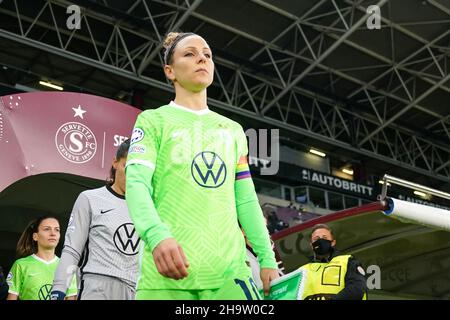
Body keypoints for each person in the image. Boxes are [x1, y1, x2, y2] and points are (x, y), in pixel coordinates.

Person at [125, 31, 279, 300]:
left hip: (230, 279)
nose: (202, 59)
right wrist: (156, 235)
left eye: (207, 54)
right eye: (190, 54)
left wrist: (267, 258)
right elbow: (137, 184)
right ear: (170, 71)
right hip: (166, 280)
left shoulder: (233, 131)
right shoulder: (153, 121)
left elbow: (245, 200)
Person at [51, 139, 140, 300]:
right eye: (127, 167)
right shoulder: (90, 199)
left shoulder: (148, 208)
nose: (133, 175)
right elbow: (72, 250)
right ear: (115, 162)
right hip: (97, 287)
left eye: (138, 169)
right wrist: (58, 290)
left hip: (135, 289)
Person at [6, 216, 77, 300]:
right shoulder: (21, 265)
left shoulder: (67, 267)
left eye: (57, 230)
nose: (53, 233)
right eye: (47, 229)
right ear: (35, 236)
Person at [298, 223, 367, 300]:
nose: (320, 241)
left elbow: (357, 289)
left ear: (333, 242)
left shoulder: (348, 262)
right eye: (316, 239)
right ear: (311, 245)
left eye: (324, 237)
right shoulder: (302, 271)